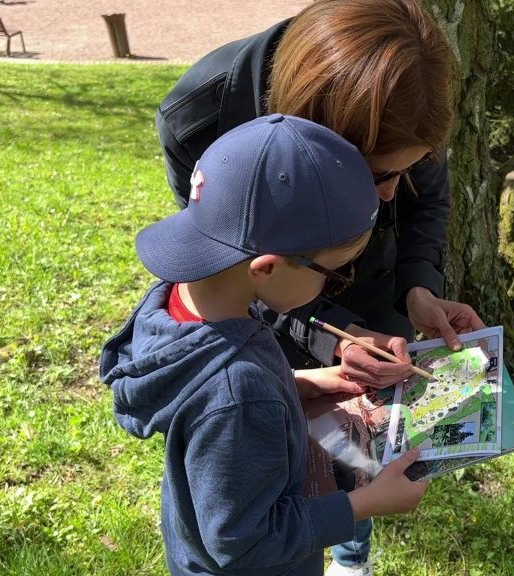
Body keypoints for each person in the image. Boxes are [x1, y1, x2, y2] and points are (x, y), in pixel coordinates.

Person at [154, 1, 484, 573]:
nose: (389, 198)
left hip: (311, 336)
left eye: (409, 168)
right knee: (289, 467)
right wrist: (329, 336)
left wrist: (416, 289)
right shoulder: (202, 121)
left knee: (357, 447)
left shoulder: (409, 99)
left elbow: (426, 198)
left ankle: (350, 556)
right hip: (273, 328)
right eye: (378, 176)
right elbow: (234, 276)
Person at [100, 114, 429, 576]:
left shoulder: (182, 301)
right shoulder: (239, 392)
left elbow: (209, 402)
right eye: (336, 276)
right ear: (266, 268)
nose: (335, 286)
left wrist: (295, 383)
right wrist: (364, 502)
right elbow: (243, 543)